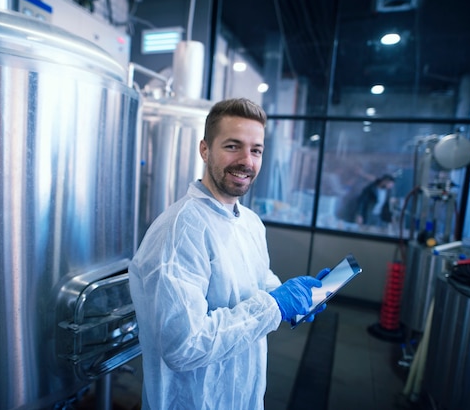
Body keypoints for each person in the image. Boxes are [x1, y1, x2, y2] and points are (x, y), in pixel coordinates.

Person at [128, 98, 329, 410]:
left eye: (256, 150)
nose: (247, 161)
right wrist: (273, 306)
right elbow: (184, 345)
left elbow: (258, 283)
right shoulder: (181, 230)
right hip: (192, 401)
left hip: (243, 394)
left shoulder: (248, 222)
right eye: (233, 146)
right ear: (205, 150)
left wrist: (296, 299)